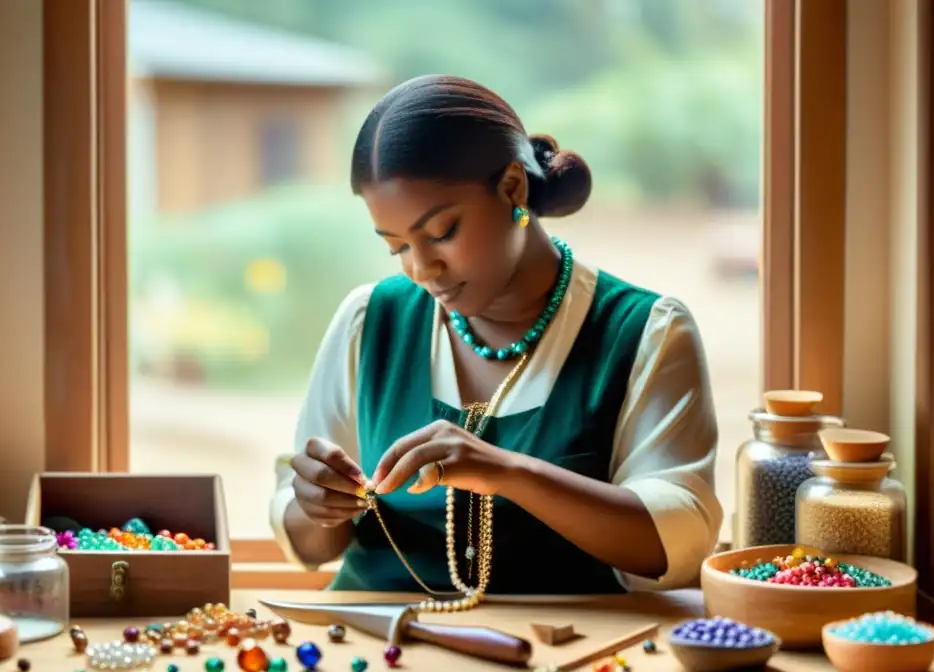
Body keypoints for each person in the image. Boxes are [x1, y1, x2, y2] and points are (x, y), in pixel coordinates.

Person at [270, 75, 722, 599]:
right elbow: (310, 547)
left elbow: (678, 546)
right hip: (375, 653)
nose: (421, 268)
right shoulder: (369, 319)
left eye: (442, 233)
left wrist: (507, 472)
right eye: (397, 246)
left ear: (513, 188)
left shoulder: (645, 332)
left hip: (564, 657)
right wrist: (313, 503)